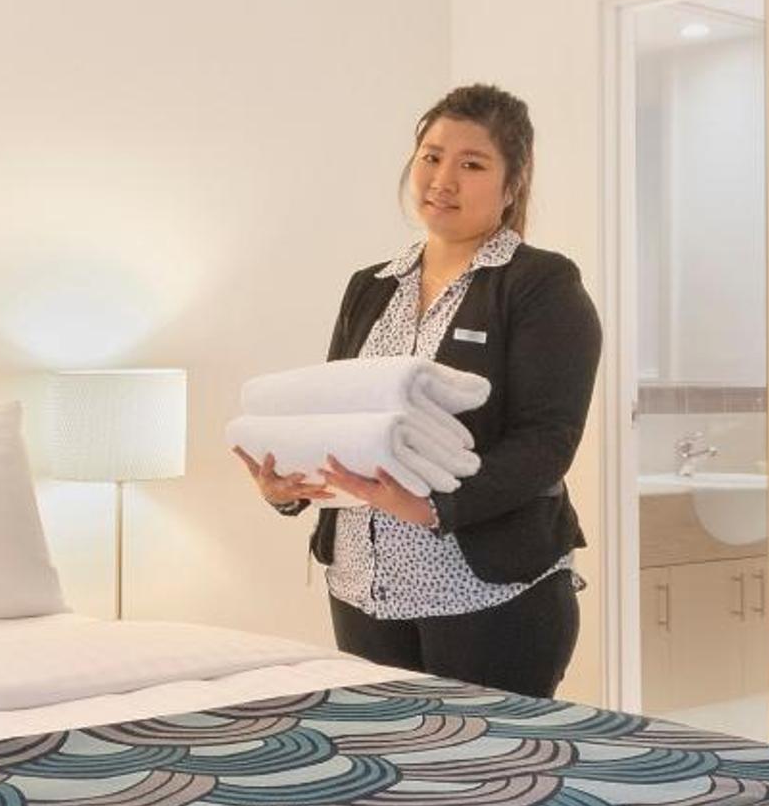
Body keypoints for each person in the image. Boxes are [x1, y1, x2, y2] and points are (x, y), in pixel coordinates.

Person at [236, 83, 601, 697]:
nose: (443, 180)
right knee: (389, 756)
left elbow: (546, 443)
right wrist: (289, 488)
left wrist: (434, 508)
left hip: (488, 594)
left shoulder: (541, 284)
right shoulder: (372, 285)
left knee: (488, 756)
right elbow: (338, 416)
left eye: (472, 164)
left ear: (513, 183)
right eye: (432, 157)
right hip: (363, 589)